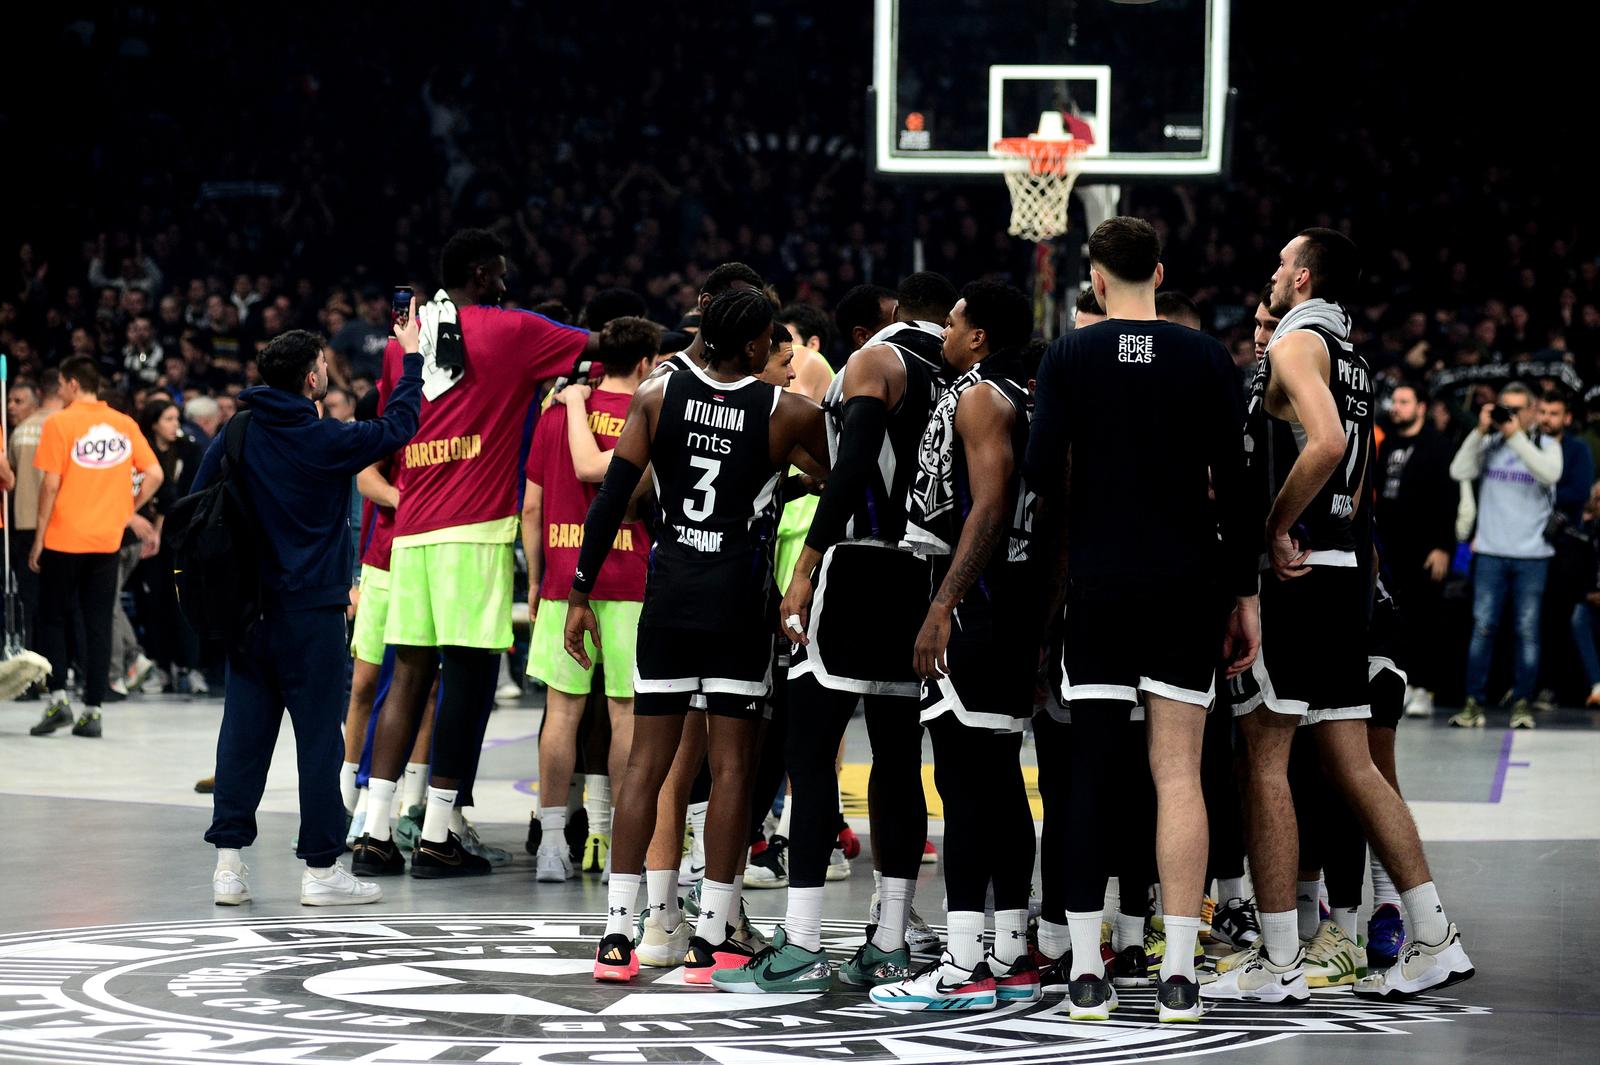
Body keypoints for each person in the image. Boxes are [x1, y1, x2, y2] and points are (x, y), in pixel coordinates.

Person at [1217, 227, 1474, 1004]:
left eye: (1277, 265)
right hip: (1342, 575)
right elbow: (1353, 476)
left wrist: (1274, 525)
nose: (1268, 274)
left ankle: (1282, 960)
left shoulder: (1298, 342)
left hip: (1297, 577)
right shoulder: (1353, 353)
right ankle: (1434, 934)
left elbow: (1326, 444)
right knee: (1351, 762)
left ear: (1300, 278)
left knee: (1264, 761)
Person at [1027, 218, 1260, 1023]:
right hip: (1184, 586)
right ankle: (1181, 974)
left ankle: (1088, 972)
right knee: (1177, 775)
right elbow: (1236, 482)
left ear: (1094, 280)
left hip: (1099, 585)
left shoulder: (1067, 355)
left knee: (1089, 775)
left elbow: (1039, 471)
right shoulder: (1205, 357)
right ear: (1159, 273)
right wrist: (1247, 594)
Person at [571, 289, 827, 985]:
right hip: (737, 604)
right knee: (734, 768)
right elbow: (844, 476)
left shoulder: (656, 394)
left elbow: (611, 497)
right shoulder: (785, 409)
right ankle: (712, 938)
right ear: (752, 347)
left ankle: (617, 936)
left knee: (645, 768)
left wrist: (579, 591)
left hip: (669, 599)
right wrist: (790, 485)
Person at [350, 229, 594, 879]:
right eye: (503, 272)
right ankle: (436, 834)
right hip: (475, 528)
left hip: (410, 529)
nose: (508, 281)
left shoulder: (407, 337)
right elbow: (608, 350)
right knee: (469, 680)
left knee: (408, 675)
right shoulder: (511, 329)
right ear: (483, 274)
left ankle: (374, 832)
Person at [761, 272, 960, 994]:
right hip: (933, 581)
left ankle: (804, 937)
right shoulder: (967, 370)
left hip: (862, 568)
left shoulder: (877, 358)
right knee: (901, 758)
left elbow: (850, 467)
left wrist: (807, 561)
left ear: (898, 312)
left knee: (810, 750)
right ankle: (890, 935)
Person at [199, 320, 423, 907]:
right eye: (323, 363)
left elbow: (198, 508)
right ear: (311, 378)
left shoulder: (236, 432)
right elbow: (401, 425)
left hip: (248, 615)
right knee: (318, 742)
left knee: (242, 736)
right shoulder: (327, 439)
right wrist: (411, 356)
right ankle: (321, 871)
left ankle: (229, 868)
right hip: (313, 614)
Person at [867, 281, 1041, 1012]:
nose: (945, 326)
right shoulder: (1025, 395)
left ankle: (965, 962)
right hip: (1011, 610)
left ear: (979, 335)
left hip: (974, 608)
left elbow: (992, 505)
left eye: (957, 318)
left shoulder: (979, 397)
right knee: (999, 784)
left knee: (965, 783)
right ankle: (1011, 950)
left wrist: (943, 603)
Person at [522, 317, 658, 882]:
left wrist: (535, 578)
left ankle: (552, 844)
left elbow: (530, 506)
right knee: (625, 710)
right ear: (647, 361)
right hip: (627, 574)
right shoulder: (650, 412)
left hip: (561, 575)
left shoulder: (557, 410)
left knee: (563, 712)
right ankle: (618, 845)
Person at [28, 357, 164, 738]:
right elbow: (154, 474)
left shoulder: (60, 422)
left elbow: (50, 485)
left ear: (71, 384)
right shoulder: (123, 423)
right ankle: (93, 709)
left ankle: (58, 702)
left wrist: (38, 537)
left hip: (63, 536)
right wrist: (126, 509)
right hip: (106, 538)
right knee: (98, 620)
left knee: (53, 618)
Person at [1447, 382, 1561, 728]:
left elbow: (1550, 473)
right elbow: (1459, 471)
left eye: (1515, 409)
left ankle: (1523, 702)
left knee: (1526, 631)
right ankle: (1472, 703)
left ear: (1530, 411)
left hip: (1533, 555)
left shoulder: (1547, 445)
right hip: (1492, 551)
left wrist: (1515, 436)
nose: (1508, 415)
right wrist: (1479, 431)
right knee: (1483, 628)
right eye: (1503, 408)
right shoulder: (1490, 443)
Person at [1374, 383, 1458, 718]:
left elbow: (1449, 499)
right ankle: (1403, 683)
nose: (1397, 408)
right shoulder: (1388, 443)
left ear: (1422, 406)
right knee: (1396, 618)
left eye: (1405, 402)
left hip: (1425, 546)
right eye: (1395, 402)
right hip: (1391, 546)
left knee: (1427, 619)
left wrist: (1443, 546)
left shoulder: (1438, 447)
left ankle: (1425, 687)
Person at [132, 399, 207, 695]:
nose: (176, 424)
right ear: (153, 423)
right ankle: (161, 666)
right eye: (168, 419)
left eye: (177, 418)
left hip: (182, 537)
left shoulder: (190, 450)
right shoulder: (143, 452)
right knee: (153, 604)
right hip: (147, 537)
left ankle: (191, 667)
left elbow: (187, 494)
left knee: (182, 603)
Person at [1536, 390, 1600, 707]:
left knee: (1559, 617)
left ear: (1567, 418)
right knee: (1529, 617)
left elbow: (1577, 492)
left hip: (1566, 545)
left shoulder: (1577, 449)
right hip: (1528, 542)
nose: (1547, 419)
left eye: (1554, 413)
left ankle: (1554, 687)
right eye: (1543, 412)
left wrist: (1539, 494)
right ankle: (1527, 684)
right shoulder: (1529, 446)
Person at [8, 372, 60, 653]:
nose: (11, 407)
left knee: (30, 599)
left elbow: (10, 480)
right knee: (59, 600)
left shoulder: (20, 432)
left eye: (19, 401)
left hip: (26, 523)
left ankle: (31, 660)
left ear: (37, 399)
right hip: (59, 525)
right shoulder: (64, 427)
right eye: (10, 401)